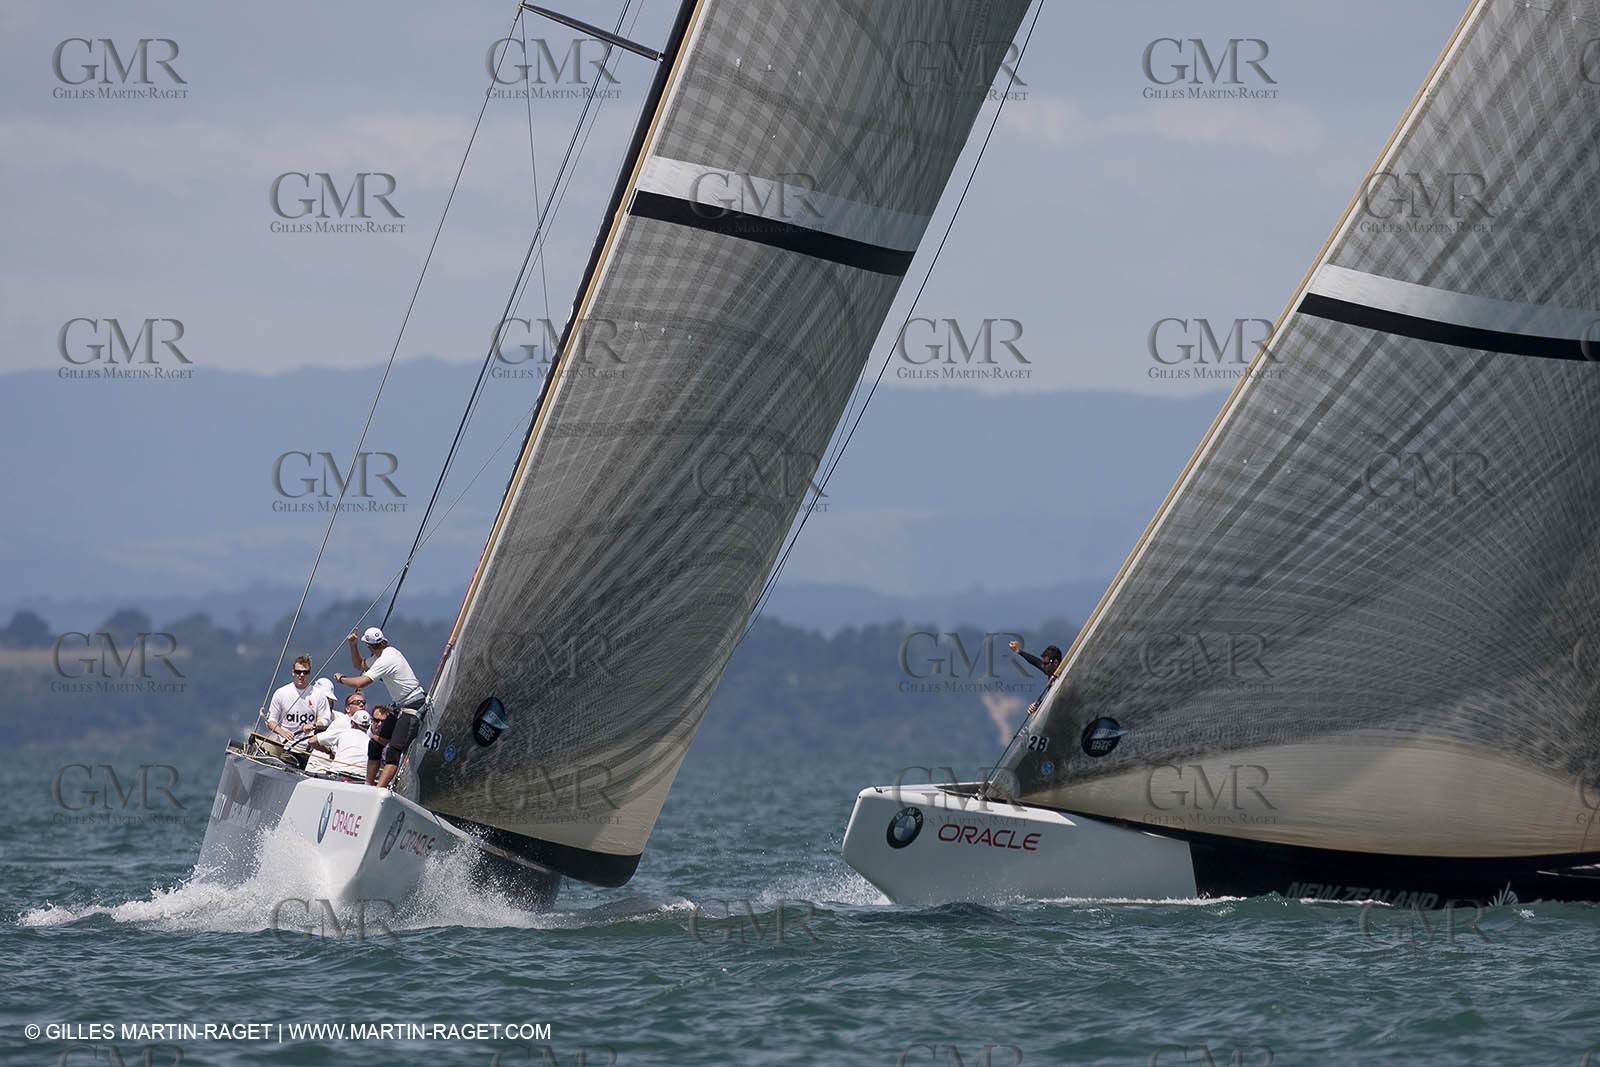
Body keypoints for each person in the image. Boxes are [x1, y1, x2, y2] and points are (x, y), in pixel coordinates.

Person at [335, 626, 425, 789]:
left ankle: (378, 790)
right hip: (400, 707)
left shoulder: (386, 659)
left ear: (369, 646)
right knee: (375, 745)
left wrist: (342, 679)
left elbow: (361, 682)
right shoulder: (382, 655)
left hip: (413, 706)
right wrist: (353, 645)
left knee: (393, 752)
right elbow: (360, 665)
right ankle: (368, 785)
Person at [266, 654, 331, 749]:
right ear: (293, 673)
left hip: (310, 748)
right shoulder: (281, 693)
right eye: (298, 672)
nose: (301, 675)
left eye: (305, 672)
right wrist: (282, 732)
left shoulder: (318, 695)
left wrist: (313, 725)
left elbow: (325, 719)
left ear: (309, 673)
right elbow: (271, 721)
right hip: (286, 746)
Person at [304, 691, 365, 776]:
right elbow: (314, 740)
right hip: (320, 766)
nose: (361, 705)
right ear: (347, 708)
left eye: (363, 703)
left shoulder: (363, 725)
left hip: (336, 768)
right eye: (356, 703)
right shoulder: (343, 722)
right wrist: (330, 752)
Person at [1009, 640, 1063, 716]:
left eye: (1045, 663)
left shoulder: (1064, 675)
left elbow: (1058, 701)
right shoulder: (1051, 672)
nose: (1042, 666)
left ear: (1055, 663)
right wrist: (1038, 705)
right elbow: (1035, 662)